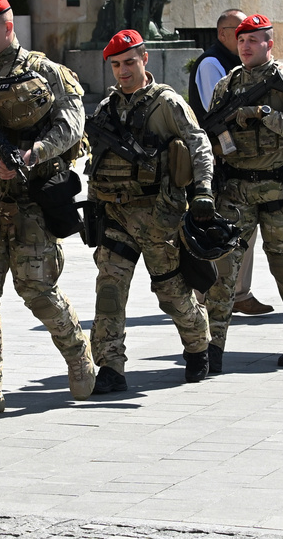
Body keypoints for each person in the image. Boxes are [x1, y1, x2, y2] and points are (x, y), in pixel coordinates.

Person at [0, 0, 95, 415]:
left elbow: (72, 124)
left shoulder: (45, 72)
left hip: (30, 203)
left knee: (38, 292)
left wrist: (35, 153)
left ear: (8, 28)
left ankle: (79, 356)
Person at [87, 29, 215, 393]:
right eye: (115, 65)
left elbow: (198, 145)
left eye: (129, 62)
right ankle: (111, 367)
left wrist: (203, 191)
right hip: (117, 216)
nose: (123, 71)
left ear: (144, 59)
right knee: (109, 289)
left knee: (172, 291)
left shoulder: (166, 103)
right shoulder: (107, 108)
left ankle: (197, 347)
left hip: (159, 216)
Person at [203, 14, 283, 370]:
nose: (246, 46)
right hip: (235, 189)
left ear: (270, 43)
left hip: (277, 189)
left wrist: (266, 114)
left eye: (254, 40)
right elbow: (212, 130)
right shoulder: (227, 85)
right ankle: (213, 348)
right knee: (223, 271)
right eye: (241, 40)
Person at [190, 8, 274, 318]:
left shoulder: (241, 67)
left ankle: (239, 293)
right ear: (223, 33)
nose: (244, 40)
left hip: (245, 162)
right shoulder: (213, 64)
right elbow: (218, 109)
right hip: (220, 160)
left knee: (242, 233)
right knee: (222, 231)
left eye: (251, 36)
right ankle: (205, 293)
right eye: (239, 33)